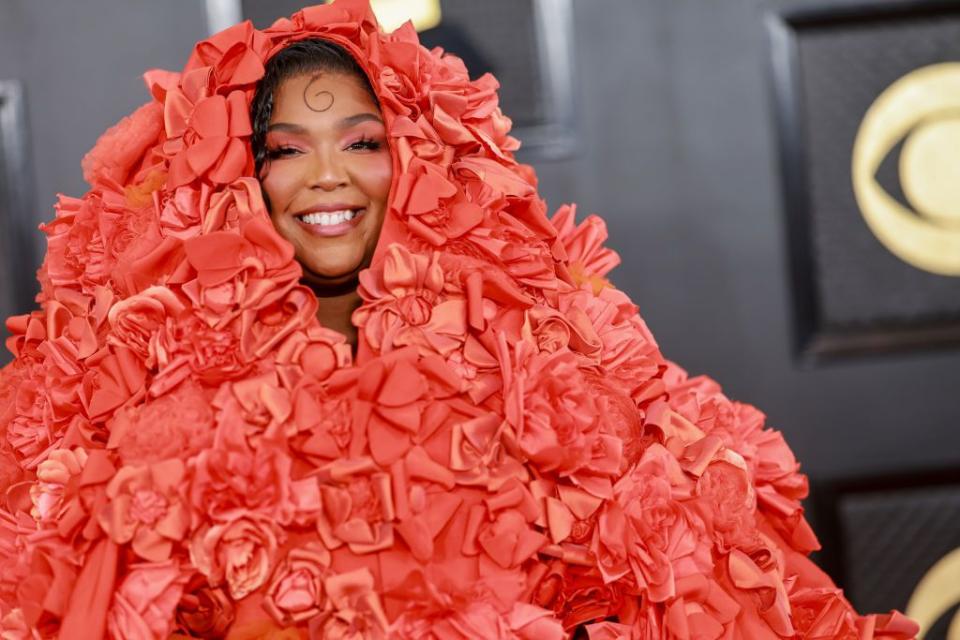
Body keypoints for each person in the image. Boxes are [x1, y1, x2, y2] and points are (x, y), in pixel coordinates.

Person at [0, 1, 920, 638]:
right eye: (286, 150)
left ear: (422, 160)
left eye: (364, 143)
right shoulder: (145, 368)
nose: (328, 175)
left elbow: (694, 576)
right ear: (238, 175)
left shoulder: (542, 343)